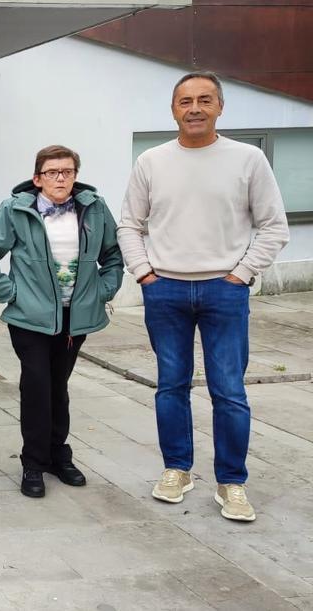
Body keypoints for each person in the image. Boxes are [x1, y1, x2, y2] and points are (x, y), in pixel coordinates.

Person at [118, 71, 289, 522]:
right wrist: (144, 274)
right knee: (171, 385)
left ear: (220, 107)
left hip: (224, 290)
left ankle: (232, 481)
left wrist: (243, 273)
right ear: (173, 109)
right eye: (185, 101)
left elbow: (274, 226)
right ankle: (177, 468)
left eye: (204, 100)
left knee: (229, 390)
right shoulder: (151, 162)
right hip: (165, 290)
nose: (194, 108)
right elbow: (129, 224)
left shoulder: (248, 159)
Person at [0, 144, 123, 498]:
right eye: (53, 172)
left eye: (68, 172)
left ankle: (59, 455)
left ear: (75, 176)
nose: (61, 178)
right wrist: (10, 292)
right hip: (30, 318)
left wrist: (103, 291)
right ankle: (33, 463)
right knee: (37, 385)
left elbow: (113, 254)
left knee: (59, 386)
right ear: (38, 178)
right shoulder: (16, 210)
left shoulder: (94, 208)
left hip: (76, 317)